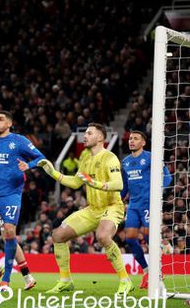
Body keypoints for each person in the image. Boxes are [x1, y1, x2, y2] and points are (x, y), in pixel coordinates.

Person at [40, 123, 133, 294]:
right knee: (58, 235)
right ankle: (65, 280)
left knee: (102, 236)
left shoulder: (110, 157)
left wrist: (94, 183)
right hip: (92, 209)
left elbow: (118, 184)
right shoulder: (86, 159)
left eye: (89, 133)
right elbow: (76, 182)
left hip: (112, 206)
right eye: (85, 133)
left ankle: (125, 280)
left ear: (100, 137)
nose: (85, 136)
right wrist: (52, 172)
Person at [0, 111, 45, 290]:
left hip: (10, 195)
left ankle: (7, 279)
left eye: (0, 119)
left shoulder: (19, 141)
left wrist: (29, 165)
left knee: (10, 233)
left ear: (9, 124)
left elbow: (41, 158)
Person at [121, 130, 172, 289]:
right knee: (130, 238)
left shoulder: (151, 157)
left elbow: (167, 177)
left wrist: (157, 193)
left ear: (143, 142)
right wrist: (118, 199)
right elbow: (125, 186)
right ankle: (147, 270)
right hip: (133, 205)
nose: (132, 141)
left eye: (136, 138)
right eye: (130, 138)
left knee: (151, 238)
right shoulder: (125, 162)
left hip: (149, 204)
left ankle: (158, 272)